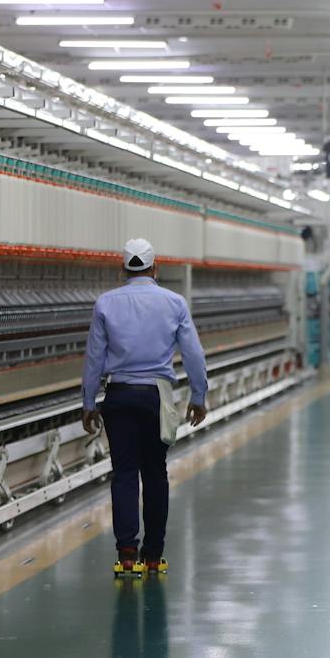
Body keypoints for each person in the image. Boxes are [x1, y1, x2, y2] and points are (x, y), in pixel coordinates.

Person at [80, 238, 209, 577]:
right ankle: (153, 555)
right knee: (155, 473)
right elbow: (193, 354)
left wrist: (89, 401)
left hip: (119, 395)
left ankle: (126, 553)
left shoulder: (105, 303)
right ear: (156, 268)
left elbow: (94, 357)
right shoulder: (174, 302)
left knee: (123, 473)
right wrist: (199, 396)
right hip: (157, 396)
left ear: (123, 269)